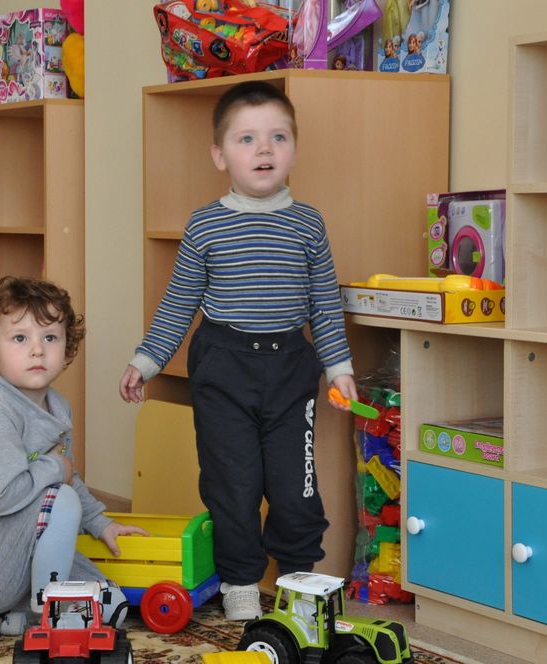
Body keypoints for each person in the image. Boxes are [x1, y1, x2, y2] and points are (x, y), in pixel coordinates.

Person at [118, 81, 358, 621]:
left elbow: (324, 304)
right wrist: (145, 361)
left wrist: (339, 368)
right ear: (219, 155)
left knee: (295, 488)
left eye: (278, 137)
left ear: (294, 148)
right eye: (246, 139)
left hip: (290, 370)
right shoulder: (206, 225)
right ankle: (241, 579)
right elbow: (179, 303)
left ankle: (298, 579)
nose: (264, 149)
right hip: (223, 367)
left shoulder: (308, 224)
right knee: (233, 483)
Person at [0, 276, 146, 640]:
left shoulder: (57, 407)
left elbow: (68, 477)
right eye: (20, 338)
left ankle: (6, 621)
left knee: (112, 606)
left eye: (50, 338)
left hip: (23, 551)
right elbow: (1, 497)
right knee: (60, 500)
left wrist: (100, 522)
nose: (37, 350)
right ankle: (44, 612)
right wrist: (55, 467)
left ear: (67, 351)